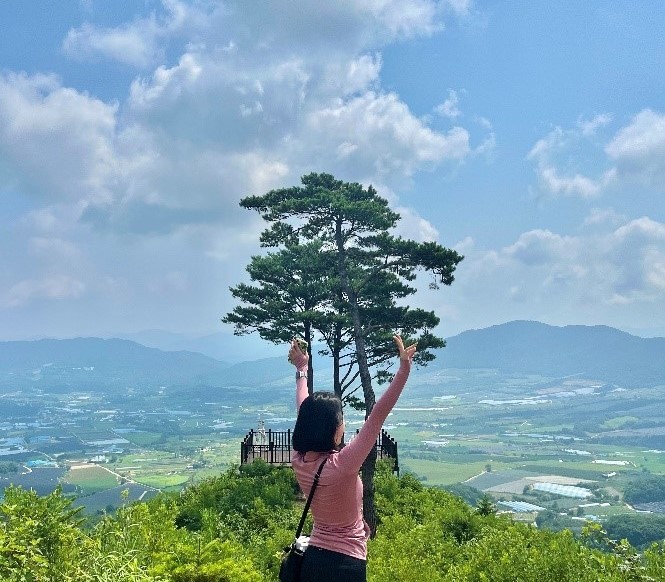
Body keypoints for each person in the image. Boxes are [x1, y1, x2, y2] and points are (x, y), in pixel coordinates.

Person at [288, 335, 417, 582]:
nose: (344, 425)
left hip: (312, 559)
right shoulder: (342, 465)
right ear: (333, 429)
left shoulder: (299, 459)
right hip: (347, 564)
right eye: (341, 420)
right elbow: (378, 415)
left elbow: (303, 409)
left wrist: (302, 368)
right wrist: (403, 371)